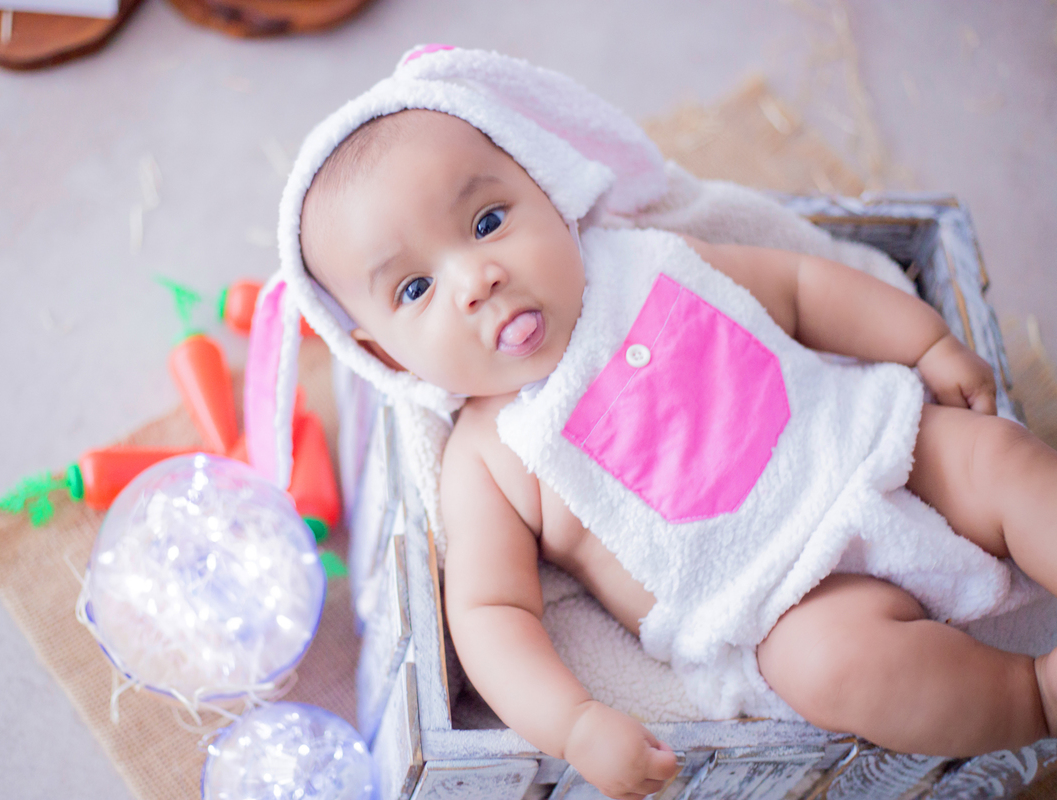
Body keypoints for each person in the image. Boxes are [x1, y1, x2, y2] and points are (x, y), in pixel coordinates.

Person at [249, 47, 1057, 800]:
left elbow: (805, 290)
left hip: (872, 444)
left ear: (547, 193)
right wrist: (572, 722)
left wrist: (925, 341)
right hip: (775, 601)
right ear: (383, 356)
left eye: (489, 221)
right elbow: (491, 615)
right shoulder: (489, 455)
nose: (476, 279)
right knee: (838, 672)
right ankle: (1032, 695)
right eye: (416, 290)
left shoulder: (646, 259)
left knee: (997, 461)